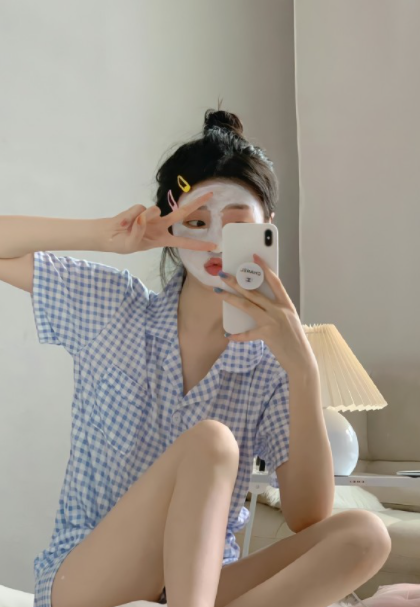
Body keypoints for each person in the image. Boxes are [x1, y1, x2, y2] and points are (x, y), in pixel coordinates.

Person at [0, 109, 391, 607]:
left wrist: (304, 370)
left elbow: (307, 516)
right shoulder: (113, 308)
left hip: (203, 582)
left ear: (267, 229)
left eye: (236, 225)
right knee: (212, 442)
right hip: (89, 579)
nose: (215, 241)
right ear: (169, 227)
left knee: (365, 536)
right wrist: (106, 236)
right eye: (197, 222)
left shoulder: (272, 364)